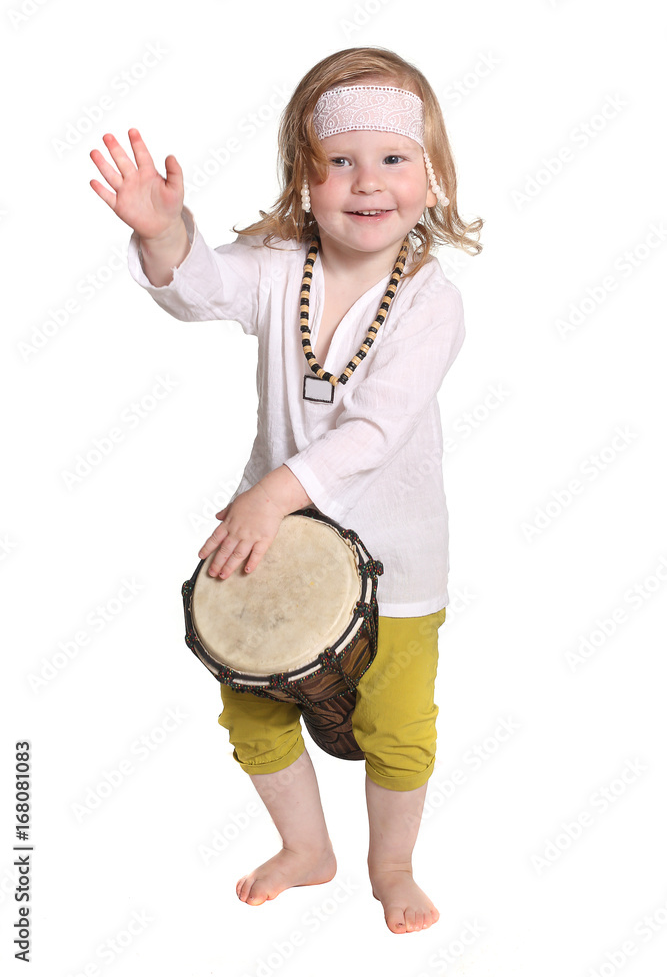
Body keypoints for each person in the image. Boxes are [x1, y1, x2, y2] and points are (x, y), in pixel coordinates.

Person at [89, 46, 482, 935]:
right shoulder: (278, 266)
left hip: (397, 558)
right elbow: (200, 289)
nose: (366, 181)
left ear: (432, 177)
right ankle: (307, 848)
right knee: (249, 703)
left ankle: (391, 865)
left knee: (397, 723)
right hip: (274, 548)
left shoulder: (429, 300)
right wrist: (162, 231)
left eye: (392, 159)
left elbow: (376, 429)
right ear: (304, 178)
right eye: (339, 160)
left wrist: (272, 492)